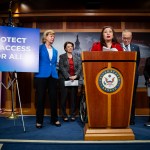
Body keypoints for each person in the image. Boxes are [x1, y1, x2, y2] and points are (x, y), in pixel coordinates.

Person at [34, 30, 61, 128]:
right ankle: (39, 121)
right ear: (45, 37)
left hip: (53, 76)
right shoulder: (38, 48)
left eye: (53, 36)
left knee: (53, 98)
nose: (52, 38)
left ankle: (55, 119)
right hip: (40, 75)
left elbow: (53, 64)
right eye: (51, 36)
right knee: (40, 98)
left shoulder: (55, 51)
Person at [59, 41, 82, 122]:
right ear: (65, 48)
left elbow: (80, 68)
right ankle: (64, 115)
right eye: (68, 46)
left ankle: (73, 115)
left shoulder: (78, 57)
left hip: (74, 80)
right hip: (64, 80)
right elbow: (61, 67)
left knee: (73, 99)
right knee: (64, 98)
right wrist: (69, 76)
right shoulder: (62, 57)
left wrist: (75, 76)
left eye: (71, 46)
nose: (70, 48)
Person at [122, 29, 141, 125]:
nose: (126, 40)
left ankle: (131, 118)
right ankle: (121, 117)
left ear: (131, 38)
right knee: (121, 97)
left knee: (132, 97)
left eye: (128, 38)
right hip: (121, 76)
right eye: (124, 38)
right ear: (122, 38)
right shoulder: (118, 47)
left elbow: (137, 62)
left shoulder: (136, 47)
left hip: (133, 76)